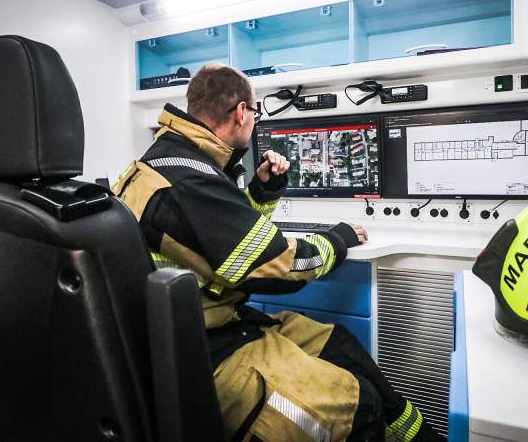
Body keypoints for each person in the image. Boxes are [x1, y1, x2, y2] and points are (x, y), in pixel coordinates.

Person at [114, 63, 443, 441]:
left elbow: (221, 239)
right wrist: (338, 239)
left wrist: (262, 190)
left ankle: (419, 436)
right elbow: (279, 264)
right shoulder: (188, 180)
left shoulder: (174, 160)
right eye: (256, 114)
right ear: (241, 112)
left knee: (340, 345)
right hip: (202, 349)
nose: (254, 122)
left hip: (210, 322)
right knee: (359, 405)